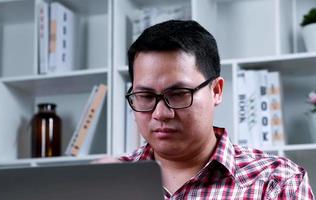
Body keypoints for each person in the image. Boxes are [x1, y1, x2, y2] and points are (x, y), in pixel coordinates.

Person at [101, 20, 314, 199]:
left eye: (178, 94)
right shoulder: (108, 180)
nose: (160, 114)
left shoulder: (277, 182)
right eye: (146, 96)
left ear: (216, 91)